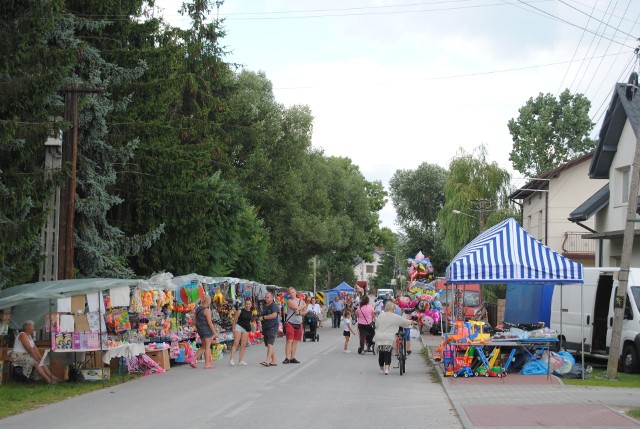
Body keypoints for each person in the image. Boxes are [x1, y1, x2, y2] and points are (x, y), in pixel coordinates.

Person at [373, 301, 414, 375]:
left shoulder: (380, 315)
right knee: (388, 353)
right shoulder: (395, 316)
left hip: (379, 337)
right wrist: (412, 321)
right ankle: (387, 369)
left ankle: (381, 369)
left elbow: (376, 325)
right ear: (393, 308)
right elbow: (404, 322)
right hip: (389, 338)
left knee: (381, 353)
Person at [192, 295, 219, 369]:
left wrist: (198, 327)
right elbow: (210, 322)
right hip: (206, 330)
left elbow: (194, 320)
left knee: (203, 346)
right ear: (209, 301)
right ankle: (207, 364)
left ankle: (193, 360)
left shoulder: (197, 309)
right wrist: (215, 332)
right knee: (207, 347)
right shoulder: (207, 310)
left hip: (200, 330)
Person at [283, 287, 306, 364]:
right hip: (290, 323)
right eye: (290, 293)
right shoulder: (289, 301)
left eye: (293, 292)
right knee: (289, 341)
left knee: (295, 341)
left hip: (299, 323)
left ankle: (292, 357)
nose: (291, 294)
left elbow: (304, 312)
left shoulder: (301, 301)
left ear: (295, 292)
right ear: (288, 294)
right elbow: (296, 308)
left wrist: (299, 312)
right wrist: (304, 305)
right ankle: (287, 357)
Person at [258, 291, 280, 366]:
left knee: (270, 343)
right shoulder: (264, 305)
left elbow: (274, 315)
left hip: (272, 327)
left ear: (272, 298)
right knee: (268, 344)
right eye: (265, 297)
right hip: (265, 327)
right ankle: (274, 361)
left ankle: (268, 359)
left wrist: (264, 317)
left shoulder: (274, 306)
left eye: (268, 297)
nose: (266, 299)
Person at [229, 298, 253, 366]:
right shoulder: (240, 311)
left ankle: (241, 360)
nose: (248, 305)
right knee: (236, 344)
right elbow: (235, 320)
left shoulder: (251, 312)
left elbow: (248, 321)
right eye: (246, 304)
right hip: (239, 327)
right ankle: (231, 359)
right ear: (244, 304)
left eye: (249, 304)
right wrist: (233, 328)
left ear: (251, 305)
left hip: (246, 329)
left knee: (243, 345)